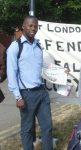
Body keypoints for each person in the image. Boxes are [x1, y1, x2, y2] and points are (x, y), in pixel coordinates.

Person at [7, 16, 53, 150]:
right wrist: (18, 96)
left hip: (41, 93)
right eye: (30, 25)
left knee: (47, 127)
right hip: (26, 95)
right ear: (23, 27)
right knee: (27, 129)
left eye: (35, 26)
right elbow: (11, 73)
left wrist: (61, 72)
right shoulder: (15, 47)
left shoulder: (38, 46)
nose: (33, 28)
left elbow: (43, 67)